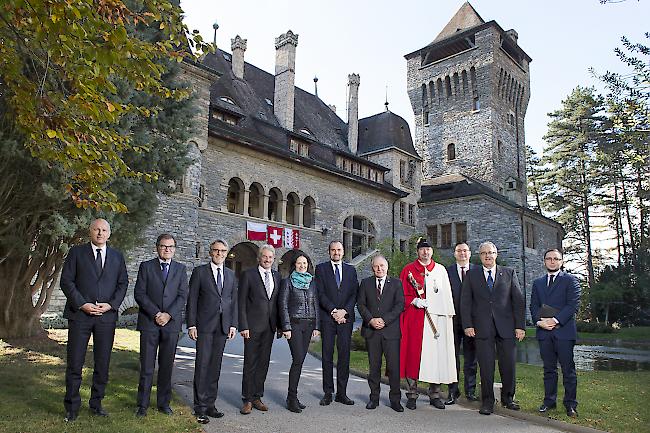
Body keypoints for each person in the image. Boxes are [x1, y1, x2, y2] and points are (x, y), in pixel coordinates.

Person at [60, 218, 128, 422]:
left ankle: (96, 403)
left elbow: (123, 283)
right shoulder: (77, 253)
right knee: (75, 362)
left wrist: (111, 305)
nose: (100, 233)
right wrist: (82, 303)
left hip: (106, 317)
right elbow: (67, 281)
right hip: (80, 315)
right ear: (90, 231)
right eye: (96, 229)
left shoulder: (117, 256)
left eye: (104, 230)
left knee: (102, 363)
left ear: (109, 233)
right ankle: (72, 407)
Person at [461, 241, 525, 415]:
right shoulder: (472, 275)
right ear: (479, 256)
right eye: (484, 253)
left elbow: (518, 301)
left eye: (491, 252)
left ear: (496, 254)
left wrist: (520, 326)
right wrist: (467, 325)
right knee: (486, 367)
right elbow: (465, 302)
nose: (488, 256)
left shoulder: (509, 273)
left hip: (507, 328)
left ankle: (508, 398)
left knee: (508, 365)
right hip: (482, 328)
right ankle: (488, 401)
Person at [134, 234, 189, 417]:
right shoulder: (146, 267)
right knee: (147, 366)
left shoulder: (181, 269)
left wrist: (168, 314)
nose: (167, 249)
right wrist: (156, 313)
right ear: (157, 247)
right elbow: (140, 294)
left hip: (171, 325)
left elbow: (183, 296)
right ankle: (142, 404)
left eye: (171, 246)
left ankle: (163, 403)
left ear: (174, 249)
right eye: (164, 246)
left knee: (167, 366)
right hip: (150, 322)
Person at [399, 238, 456, 411]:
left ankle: (435, 394)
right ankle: (412, 394)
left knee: (436, 358)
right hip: (415, 320)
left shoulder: (440, 270)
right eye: (422, 249)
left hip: (436, 321)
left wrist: (446, 317)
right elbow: (400, 295)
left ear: (432, 251)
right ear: (417, 251)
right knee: (413, 356)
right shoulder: (408, 270)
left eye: (428, 249)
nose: (425, 252)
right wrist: (413, 300)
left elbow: (446, 296)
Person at [186, 239, 238, 424]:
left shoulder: (231, 275)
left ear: (226, 253)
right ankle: (199, 407)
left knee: (215, 366)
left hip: (223, 327)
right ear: (210, 252)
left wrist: (233, 324)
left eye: (223, 251)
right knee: (202, 365)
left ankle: (210, 404)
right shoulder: (200, 272)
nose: (219, 254)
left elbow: (233, 301)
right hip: (204, 327)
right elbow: (191, 299)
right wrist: (191, 324)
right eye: (216, 250)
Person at [530, 249, 580, 418]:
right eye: (549, 258)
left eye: (556, 259)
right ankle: (549, 401)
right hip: (544, 333)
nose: (552, 261)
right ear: (544, 261)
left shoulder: (570, 281)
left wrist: (555, 320)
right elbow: (533, 306)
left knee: (568, 370)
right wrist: (540, 322)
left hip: (563, 332)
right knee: (549, 369)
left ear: (561, 261)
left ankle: (570, 404)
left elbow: (572, 305)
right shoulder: (538, 283)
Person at [357, 255, 405, 412]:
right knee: (374, 367)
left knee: (393, 368)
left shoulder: (396, 283)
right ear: (372, 268)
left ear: (387, 266)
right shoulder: (366, 283)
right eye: (376, 266)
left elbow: (400, 305)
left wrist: (384, 320)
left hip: (390, 332)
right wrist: (371, 320)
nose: (379, 269)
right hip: (372, 332)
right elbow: (361, 304)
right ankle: (374, 398)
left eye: (382, 266)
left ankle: (395, 400)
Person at [238, 244, 281, 415]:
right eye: (265, 257)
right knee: (250, 363)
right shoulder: (248, 275)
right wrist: (243, 325)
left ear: (273, 259)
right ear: (259, 258)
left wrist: (279, 325)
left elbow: (277, 303)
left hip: (269, 328)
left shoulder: (277, 276)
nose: (267, 260)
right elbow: (241, 302)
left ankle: (257, 397)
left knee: (263, 363)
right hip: (252, 327)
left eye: (270, 257)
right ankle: (247, 399)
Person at [316, 240, 359, 406]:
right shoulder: (321, 269)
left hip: (345, 319)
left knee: (344, 356)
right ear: (329, 252)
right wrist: (334, 311)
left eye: (339, 250)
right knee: (327, 356)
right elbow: (320, 293)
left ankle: (342, 393)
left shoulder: (351, 270)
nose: (336, 252)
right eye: (333, 250)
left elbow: (354, 293)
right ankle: (328, 392)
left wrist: (344, 311)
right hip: (328, 318)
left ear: (343, 251)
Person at [278, 254, 321, 413]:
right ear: (294, 265)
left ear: (308, 265)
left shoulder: (312, 282)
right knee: (297, 359)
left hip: (309, 325)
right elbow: (283, 304)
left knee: (300, 360)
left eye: (305, 263)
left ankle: (293, 397)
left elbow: (315, 302)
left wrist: (317, 326)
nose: (302, 265)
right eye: (299, 263)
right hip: (294, 325)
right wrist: (286, 327)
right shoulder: (287, 282)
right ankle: (291, 398)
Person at [445, 242, 478, 404]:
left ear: (470, 253)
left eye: (465, 250)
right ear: (455, 254)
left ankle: (470, 391)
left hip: (472, 322)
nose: (462, 253)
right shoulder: (447, 272)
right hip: (453, 321)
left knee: (471, 358)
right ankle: (453, 391)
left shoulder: (478, 271)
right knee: (452, 358)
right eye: (459, 251)